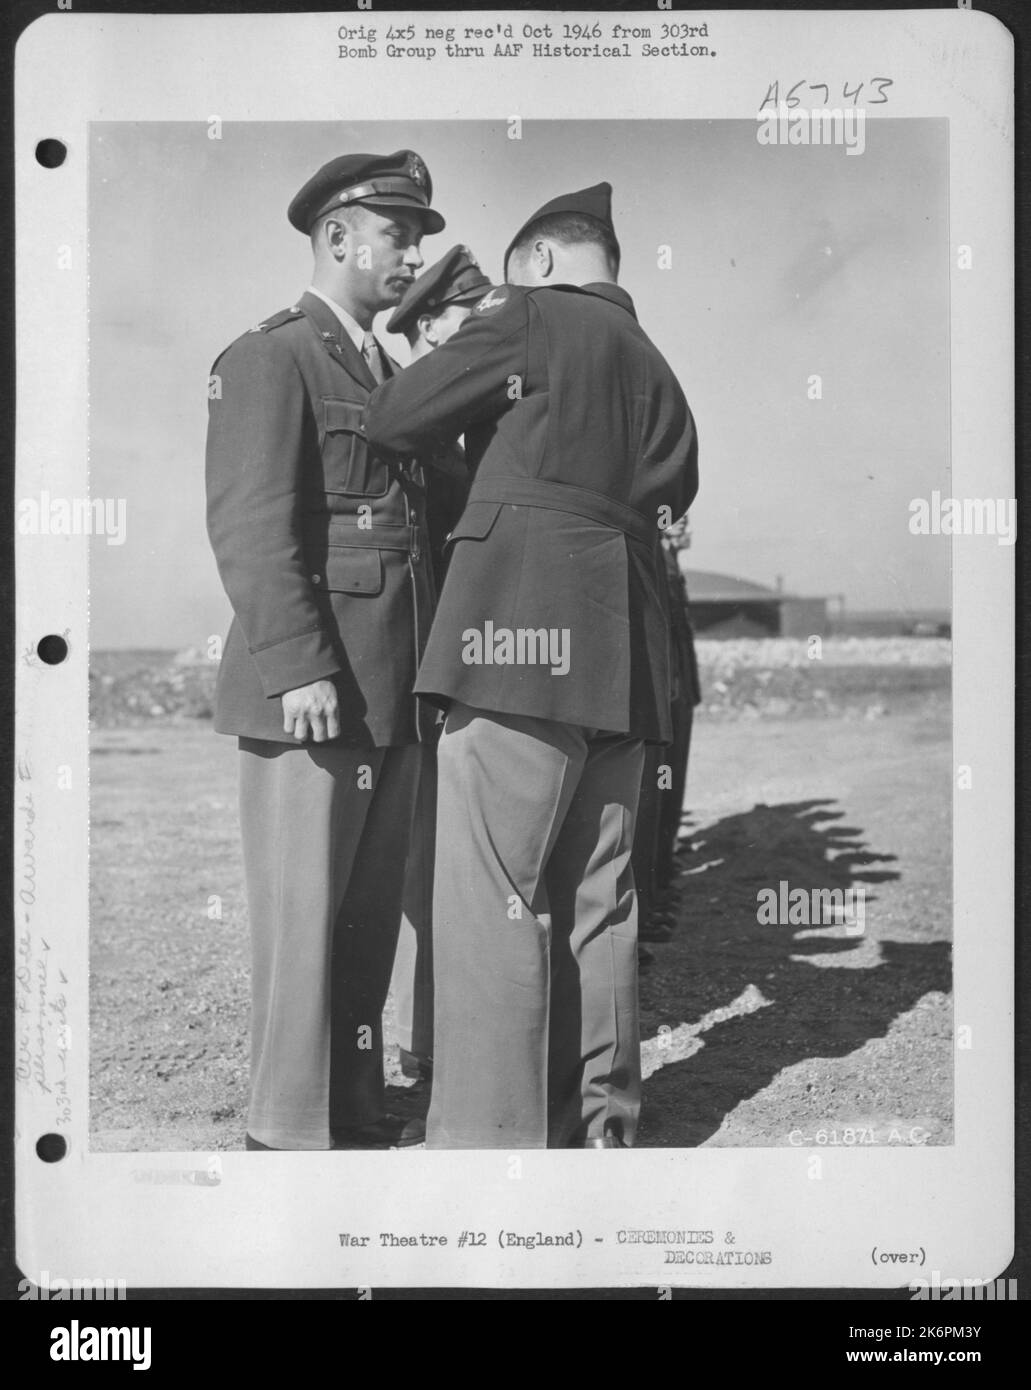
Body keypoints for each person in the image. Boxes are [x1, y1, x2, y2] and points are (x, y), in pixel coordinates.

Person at [364, 182, 699, 1149]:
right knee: (601, 904)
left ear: (539, 263)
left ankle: (487, 1140)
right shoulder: (657, 363)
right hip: (624, 664)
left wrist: (418, 360)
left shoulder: (531, 315)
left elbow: (394, 418)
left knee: (490, 895)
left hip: (515, 640)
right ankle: (600, 1125)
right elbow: (667, 489)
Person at [204, 150, 446, 1150]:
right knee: (303, 918)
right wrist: (299, 664)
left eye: (420, 236)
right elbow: (251, 526)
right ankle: (283, 1129)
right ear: (339, 237)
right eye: (400, 233)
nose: (412, 253)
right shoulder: (268, 356)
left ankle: (350, 1108)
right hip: (312, 686)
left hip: (390, 687)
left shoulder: (391, 370)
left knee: (365, 914)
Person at [383, 245, 494, 1082]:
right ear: (429, 327)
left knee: (437, 867)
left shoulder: (458, 424)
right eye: (467, 316)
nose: (482, 331)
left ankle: (433, 1041)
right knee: (403, 869)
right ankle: (409, 1043)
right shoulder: (407, 410)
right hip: (405, 667)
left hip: (445, 672)